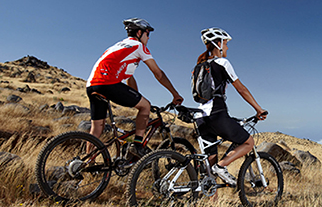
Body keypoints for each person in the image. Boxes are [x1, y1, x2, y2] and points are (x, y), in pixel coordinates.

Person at [86, 18, 183, 157]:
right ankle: (137, 145)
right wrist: (175, 94)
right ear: (139, 32)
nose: (148, 38)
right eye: (147, 34)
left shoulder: (117, 46)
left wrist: (135, 97)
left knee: (96, 129)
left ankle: (86, 163)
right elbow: (158, 73)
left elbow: (129, 78)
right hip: (108, 83)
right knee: (146, 106)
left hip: (91, 85)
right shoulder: (138, 46)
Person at [194, 27, 267, 186]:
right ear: (218, 44)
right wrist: (258, 109)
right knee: (249, 142)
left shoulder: (199, 66)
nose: (227, 48)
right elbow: (241, 89)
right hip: (217, 114)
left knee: (209, 168)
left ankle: (213, 206)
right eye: (225, 44)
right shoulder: (222, 63)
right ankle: (222, 166)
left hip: (201, 117)